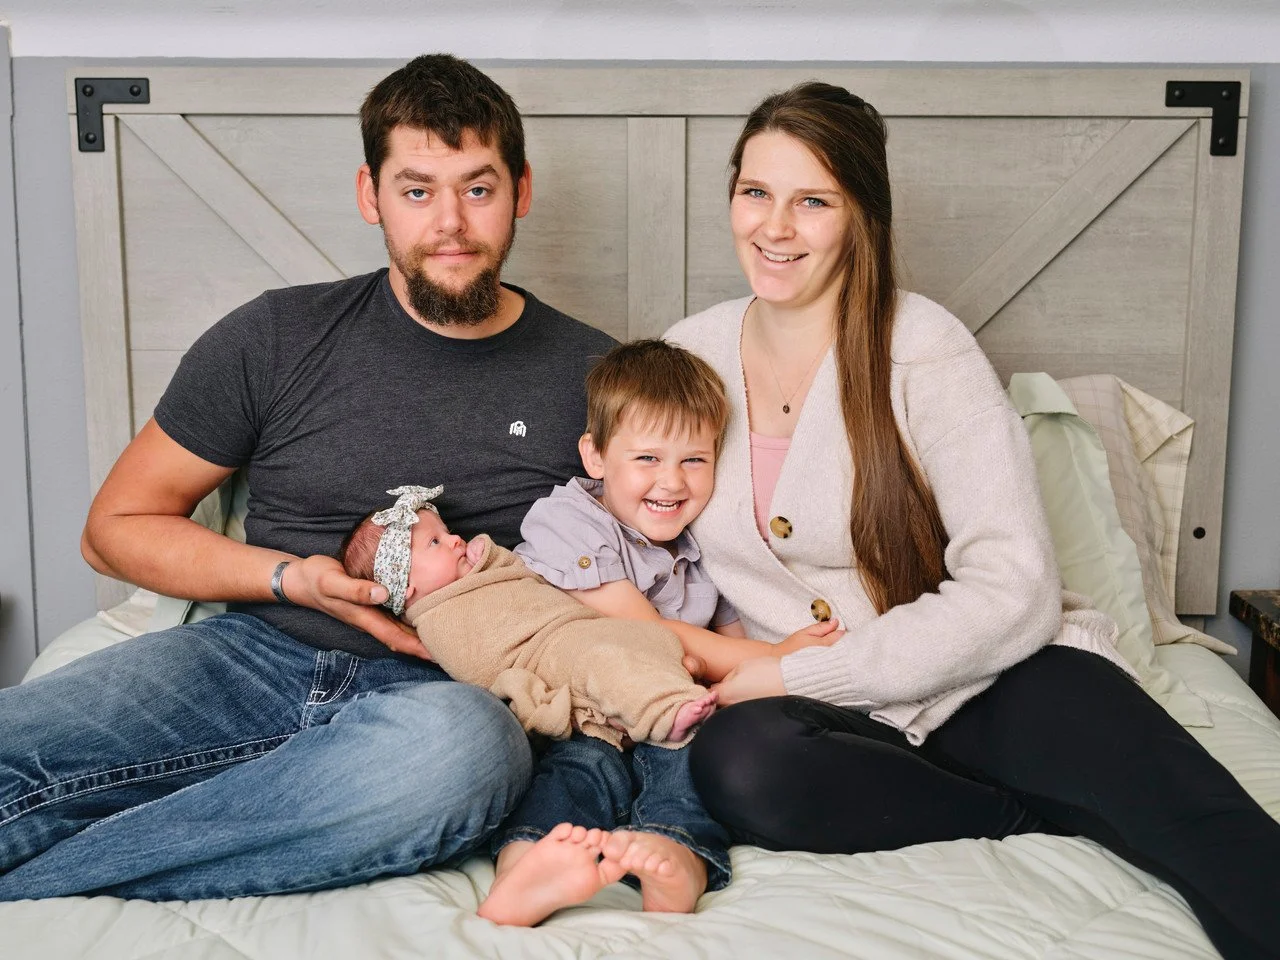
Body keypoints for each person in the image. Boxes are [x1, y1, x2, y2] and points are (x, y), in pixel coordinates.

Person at [666, 82, 1280, 960]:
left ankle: (1070, 790)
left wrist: (809, 671)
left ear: (862, 215)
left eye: (813, 201)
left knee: (1203, 825)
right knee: (739, 765)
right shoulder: (686, 355)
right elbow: (630, 536)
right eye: (755, 192)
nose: (775, 227)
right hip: (826, 723)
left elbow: (1014, 588)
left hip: (991, 677)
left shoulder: (924, 345)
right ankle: (1021, 809)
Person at [0, 54, 617, 901]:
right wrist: (291, 579)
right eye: (416, 191)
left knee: (470, 752)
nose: (450, 223)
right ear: (370, 195)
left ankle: (56, 877)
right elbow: (114, 530)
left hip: (444, 701)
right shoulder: (274, 336)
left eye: (478, 189)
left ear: (522, 190)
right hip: (251, 659)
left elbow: (655, 569)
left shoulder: (598, 377)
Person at [471, 338, 842, 926]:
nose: (671, 482)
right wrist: (776, 655)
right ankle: (526, 869)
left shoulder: (703, 545)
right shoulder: (568, 520)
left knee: (690, 769)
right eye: (647, 458)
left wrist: (746, 674)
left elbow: (725, 641)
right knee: (576, 774)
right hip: (580, 713)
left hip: (671, 717)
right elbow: (648, 635)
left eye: (694, 460)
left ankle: (676, 857)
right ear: (595, 457)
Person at [339, 484, 717, 746]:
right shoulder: (438, 622)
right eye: (434, 542)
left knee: (640, 640)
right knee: (602, 663)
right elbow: (480, 665)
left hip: (575, 627)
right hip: (545, 655)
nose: (455, 539)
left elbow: (524, 576)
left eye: (447, 531)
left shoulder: (476, 574)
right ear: (406, 586)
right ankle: (665, 715)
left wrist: (488, 556)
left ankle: (668, 676)